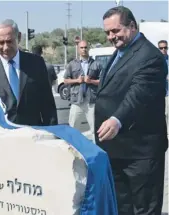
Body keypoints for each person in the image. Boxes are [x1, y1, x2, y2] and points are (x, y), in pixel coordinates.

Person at [95, 6, 168, 215]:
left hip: (140, 153)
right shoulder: (119, 53)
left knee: (144, 209)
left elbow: (138, 95)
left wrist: (117, 119)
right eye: (107, 32)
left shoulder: (150, 56)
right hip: (116, 149)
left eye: (116, 31)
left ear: (132, 26)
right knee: (122, 207)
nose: (111, 36)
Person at [0, 19, 57, 126]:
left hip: (33, 132)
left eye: (9, 41)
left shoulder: (36, 63)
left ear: (19, 37)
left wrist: (53, 131)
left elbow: (47, 102)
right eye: (1, 43)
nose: (6, 47)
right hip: (0, 134)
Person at [64, 40, 101, 140]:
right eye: (82, 47)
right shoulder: (72, 64)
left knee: (95, 130)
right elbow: (66, 80)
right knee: (73, 128)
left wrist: (91, 81)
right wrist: (77, 80)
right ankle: (73, 149)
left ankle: (95, 151)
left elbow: (102, 81)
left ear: (88, 48)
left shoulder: (96, 64)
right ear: (78, 49)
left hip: (91, 101)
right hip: (77, 101)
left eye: (85, 47)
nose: (84, 49)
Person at [158, 40, 169, 136]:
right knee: (164, 114)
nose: (163, 50)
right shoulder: (156, 60)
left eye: (165, 47)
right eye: (161, 48)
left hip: (168, 93)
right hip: (160, 92)